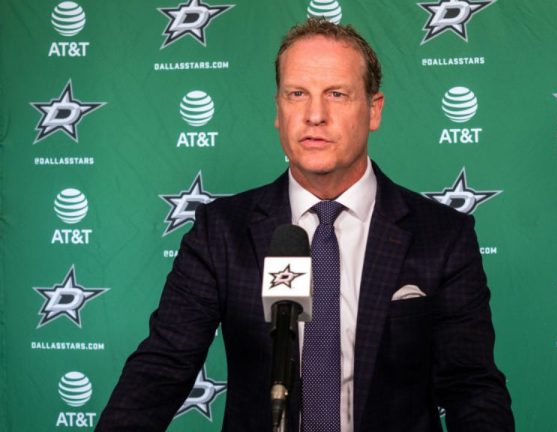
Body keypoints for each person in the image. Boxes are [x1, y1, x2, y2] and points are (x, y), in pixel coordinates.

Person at [97, 18, 514, 432]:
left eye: (337, 94)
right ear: (278, 109)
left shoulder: (442, 235)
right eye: (297, 93)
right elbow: (162, 367)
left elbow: (471, 387)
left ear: (373, 110)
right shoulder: (221, 232)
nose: (315, 115)